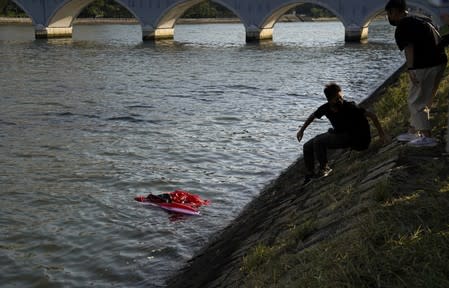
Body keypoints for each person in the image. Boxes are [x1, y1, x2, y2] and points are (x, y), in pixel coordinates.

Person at [296, 83, 386, 184]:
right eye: (337, 98)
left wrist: (382, 135)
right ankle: (310, 174)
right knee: (307, 146)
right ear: (329, 100)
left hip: (355, 138)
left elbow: (372, 116)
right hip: (339, 134)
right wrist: (302, 130)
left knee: (318, 141)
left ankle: (324, 169)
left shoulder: (350, 106)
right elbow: (313, 116)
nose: (340, 100)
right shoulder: (326, 108)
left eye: (340, 97)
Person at [385, 0, 447, 147]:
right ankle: (413, 131)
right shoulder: (422, 19)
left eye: (388, 13)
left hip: (424, 65)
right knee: (424, 99)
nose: (388, 17)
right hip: (439, 61)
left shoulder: (403, 26)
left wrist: (411, 69)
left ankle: (427, 137)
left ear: (394, 11)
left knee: (415, 101)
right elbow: (438, 37)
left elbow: (409, 48)